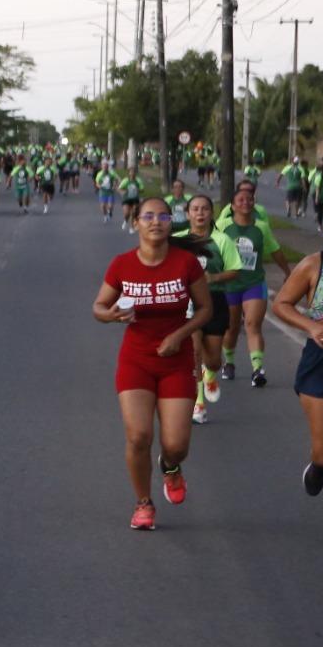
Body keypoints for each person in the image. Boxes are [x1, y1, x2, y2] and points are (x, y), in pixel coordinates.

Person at [93, 197, 212, 530]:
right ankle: (143, 503)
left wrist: (181, 334)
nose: (156, 221)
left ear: (170, 222)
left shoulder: (186, 263)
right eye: (148, 216)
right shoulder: (122, 265)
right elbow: (98, 307)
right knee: (138, 436)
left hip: (176, 360)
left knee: (176, 445)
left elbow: (205, 309)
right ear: (136, 223)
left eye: (163, 216)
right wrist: (111, 315)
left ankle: (171, 468)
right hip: (136, 360)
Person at [173, 194, 241, 424]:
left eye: (204, 209)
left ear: (211, 213)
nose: (200, 213)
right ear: (188, 213)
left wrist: (213, 277)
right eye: (195, 209)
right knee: (193, 352)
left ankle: (211, 374)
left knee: (212, 359)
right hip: (187, 304)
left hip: (214, 301)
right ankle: (198, 403)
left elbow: (235, 270)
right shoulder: (178, 240)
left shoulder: (222, 240)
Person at [270, 250, 323, 495]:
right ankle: (320, 466)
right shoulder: (315, 265)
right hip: (322, 361)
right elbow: (281, 304)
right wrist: (312, 326)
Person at [219, 185, 292, 386]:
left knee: (252, 324)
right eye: (240, 200)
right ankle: (230, 362)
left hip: (254, 282)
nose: (246, 202)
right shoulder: (223, 225)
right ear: (232, 206)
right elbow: (212, 247)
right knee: (232, 328)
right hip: (229, 285)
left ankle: (257, 369)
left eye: (249, 199)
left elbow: (275, 250)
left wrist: (288, 272)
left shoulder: (261, 227)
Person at [118, 167, 143, 233]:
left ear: (135, 173)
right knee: (127, 213)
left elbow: (142, 189)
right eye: (131, 172)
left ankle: (132, 227)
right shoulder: (126, 180)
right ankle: (125, 221)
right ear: (129, 173)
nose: (132, 173)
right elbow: (120, 188)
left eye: (134, 172)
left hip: (135, 199)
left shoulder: (138, 180)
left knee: (133, 212)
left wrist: (138, 190)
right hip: (126, 199)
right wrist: (124, 191)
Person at [311, 157, 323, 233]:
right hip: (320, 197)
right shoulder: (318, 178)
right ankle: (320, 225)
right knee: (320, 212)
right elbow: (317, 188)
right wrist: (316, 198)